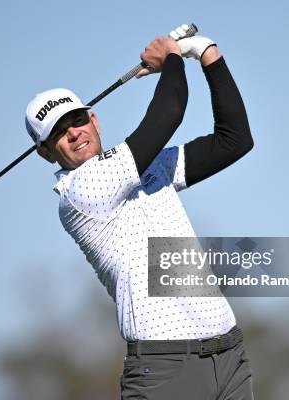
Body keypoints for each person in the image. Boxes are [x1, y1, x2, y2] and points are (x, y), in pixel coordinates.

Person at [25, 25, 254, 400]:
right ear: (46, 153)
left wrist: (206, 52)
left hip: (229, 356)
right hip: (165, 370)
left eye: (78, 120)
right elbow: (169, 113)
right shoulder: (81, 192)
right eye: (58, 132)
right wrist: (172, 58)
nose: (74, 133)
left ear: (94, 120)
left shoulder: (145, 166)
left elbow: (234, 140)